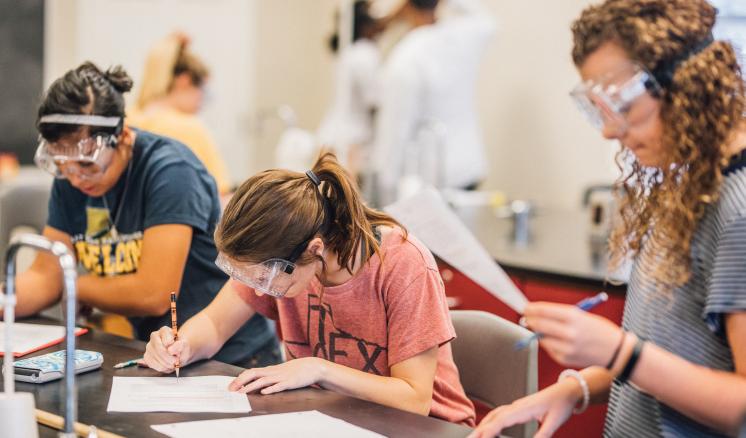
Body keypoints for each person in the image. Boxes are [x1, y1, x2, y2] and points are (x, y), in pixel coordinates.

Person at [470, 1, 746, 437]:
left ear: (686, 82)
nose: (608, 130)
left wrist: (620, 351)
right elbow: (673, 357)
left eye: (621, 103)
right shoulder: (687, 183)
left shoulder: (739, 211)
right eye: (598, 108)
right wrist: (577, 388)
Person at [142, 152, 476, 426]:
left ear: (315, 249)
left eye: (266, 280)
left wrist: (318, 368)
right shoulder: (281, 258)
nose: (259, 293)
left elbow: (414, 399)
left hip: (427, 428)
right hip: (332, 419)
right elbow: (214, 325)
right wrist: (181, 346)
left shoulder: (402, 263)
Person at [17, 62, 280, 367]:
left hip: (232, 357)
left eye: (88, 166)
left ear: (124, 137)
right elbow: (43, 275)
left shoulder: (171, 172)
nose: (76, 179)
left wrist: (73, 286)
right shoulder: (73, 179)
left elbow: (153, 292)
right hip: (161, 354)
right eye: (64, 167)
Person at [373, 0, 495, 205]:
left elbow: (395, 134)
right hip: (467, 168)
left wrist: (384, 198)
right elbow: (488, 22)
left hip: (427, 181)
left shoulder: (405, 58)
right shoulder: (462, 38)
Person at [128, 32, 231, 195]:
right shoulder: (189, 128)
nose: (201, 101)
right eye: (201, 90)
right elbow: (220, 192)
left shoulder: (128, 117)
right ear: (184, 80)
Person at [318, 0, 383, 177]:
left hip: (330, 138)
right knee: (346, 202)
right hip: (351, 144)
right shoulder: (365, 53)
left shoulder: (348, 53)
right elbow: (375, 102)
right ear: (364, 25)